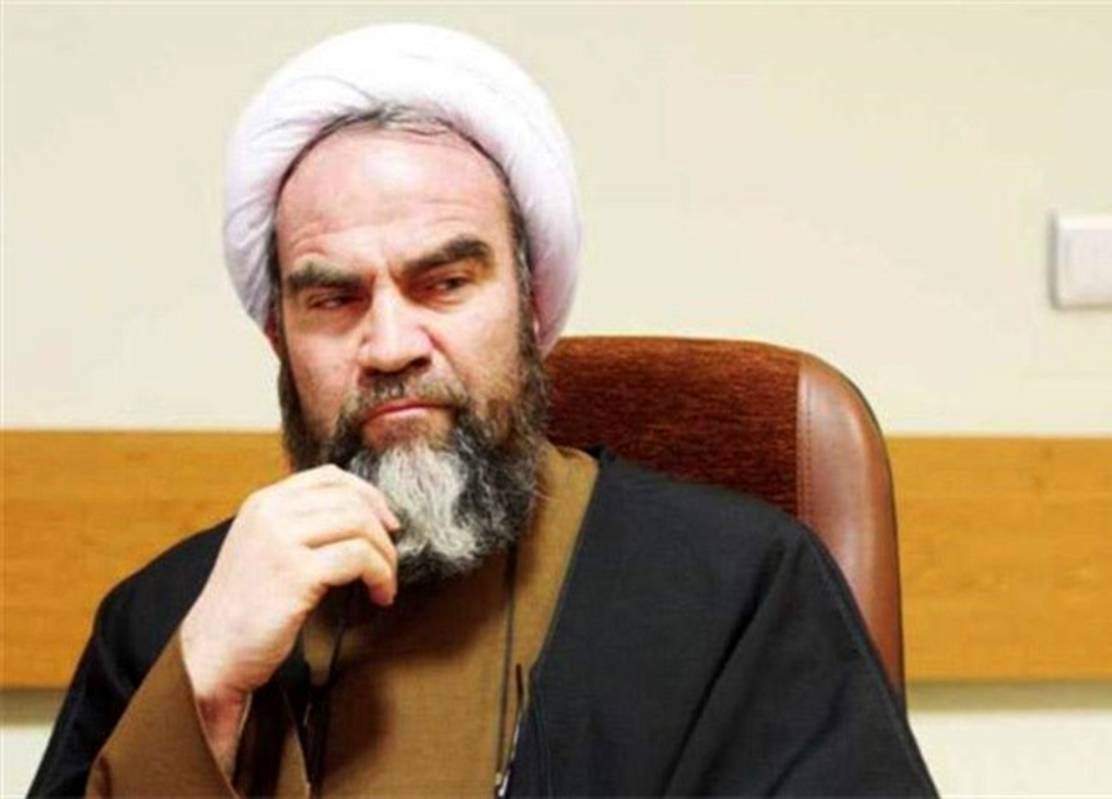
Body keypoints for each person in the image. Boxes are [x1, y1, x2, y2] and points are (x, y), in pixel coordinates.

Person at [30, 24, 936, 797]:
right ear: (280, 338)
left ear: (533, 307)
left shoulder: (736, 591)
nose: (391, 344)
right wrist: (203, 691)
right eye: (333, 299)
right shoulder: (166, 619)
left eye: (446, 282)